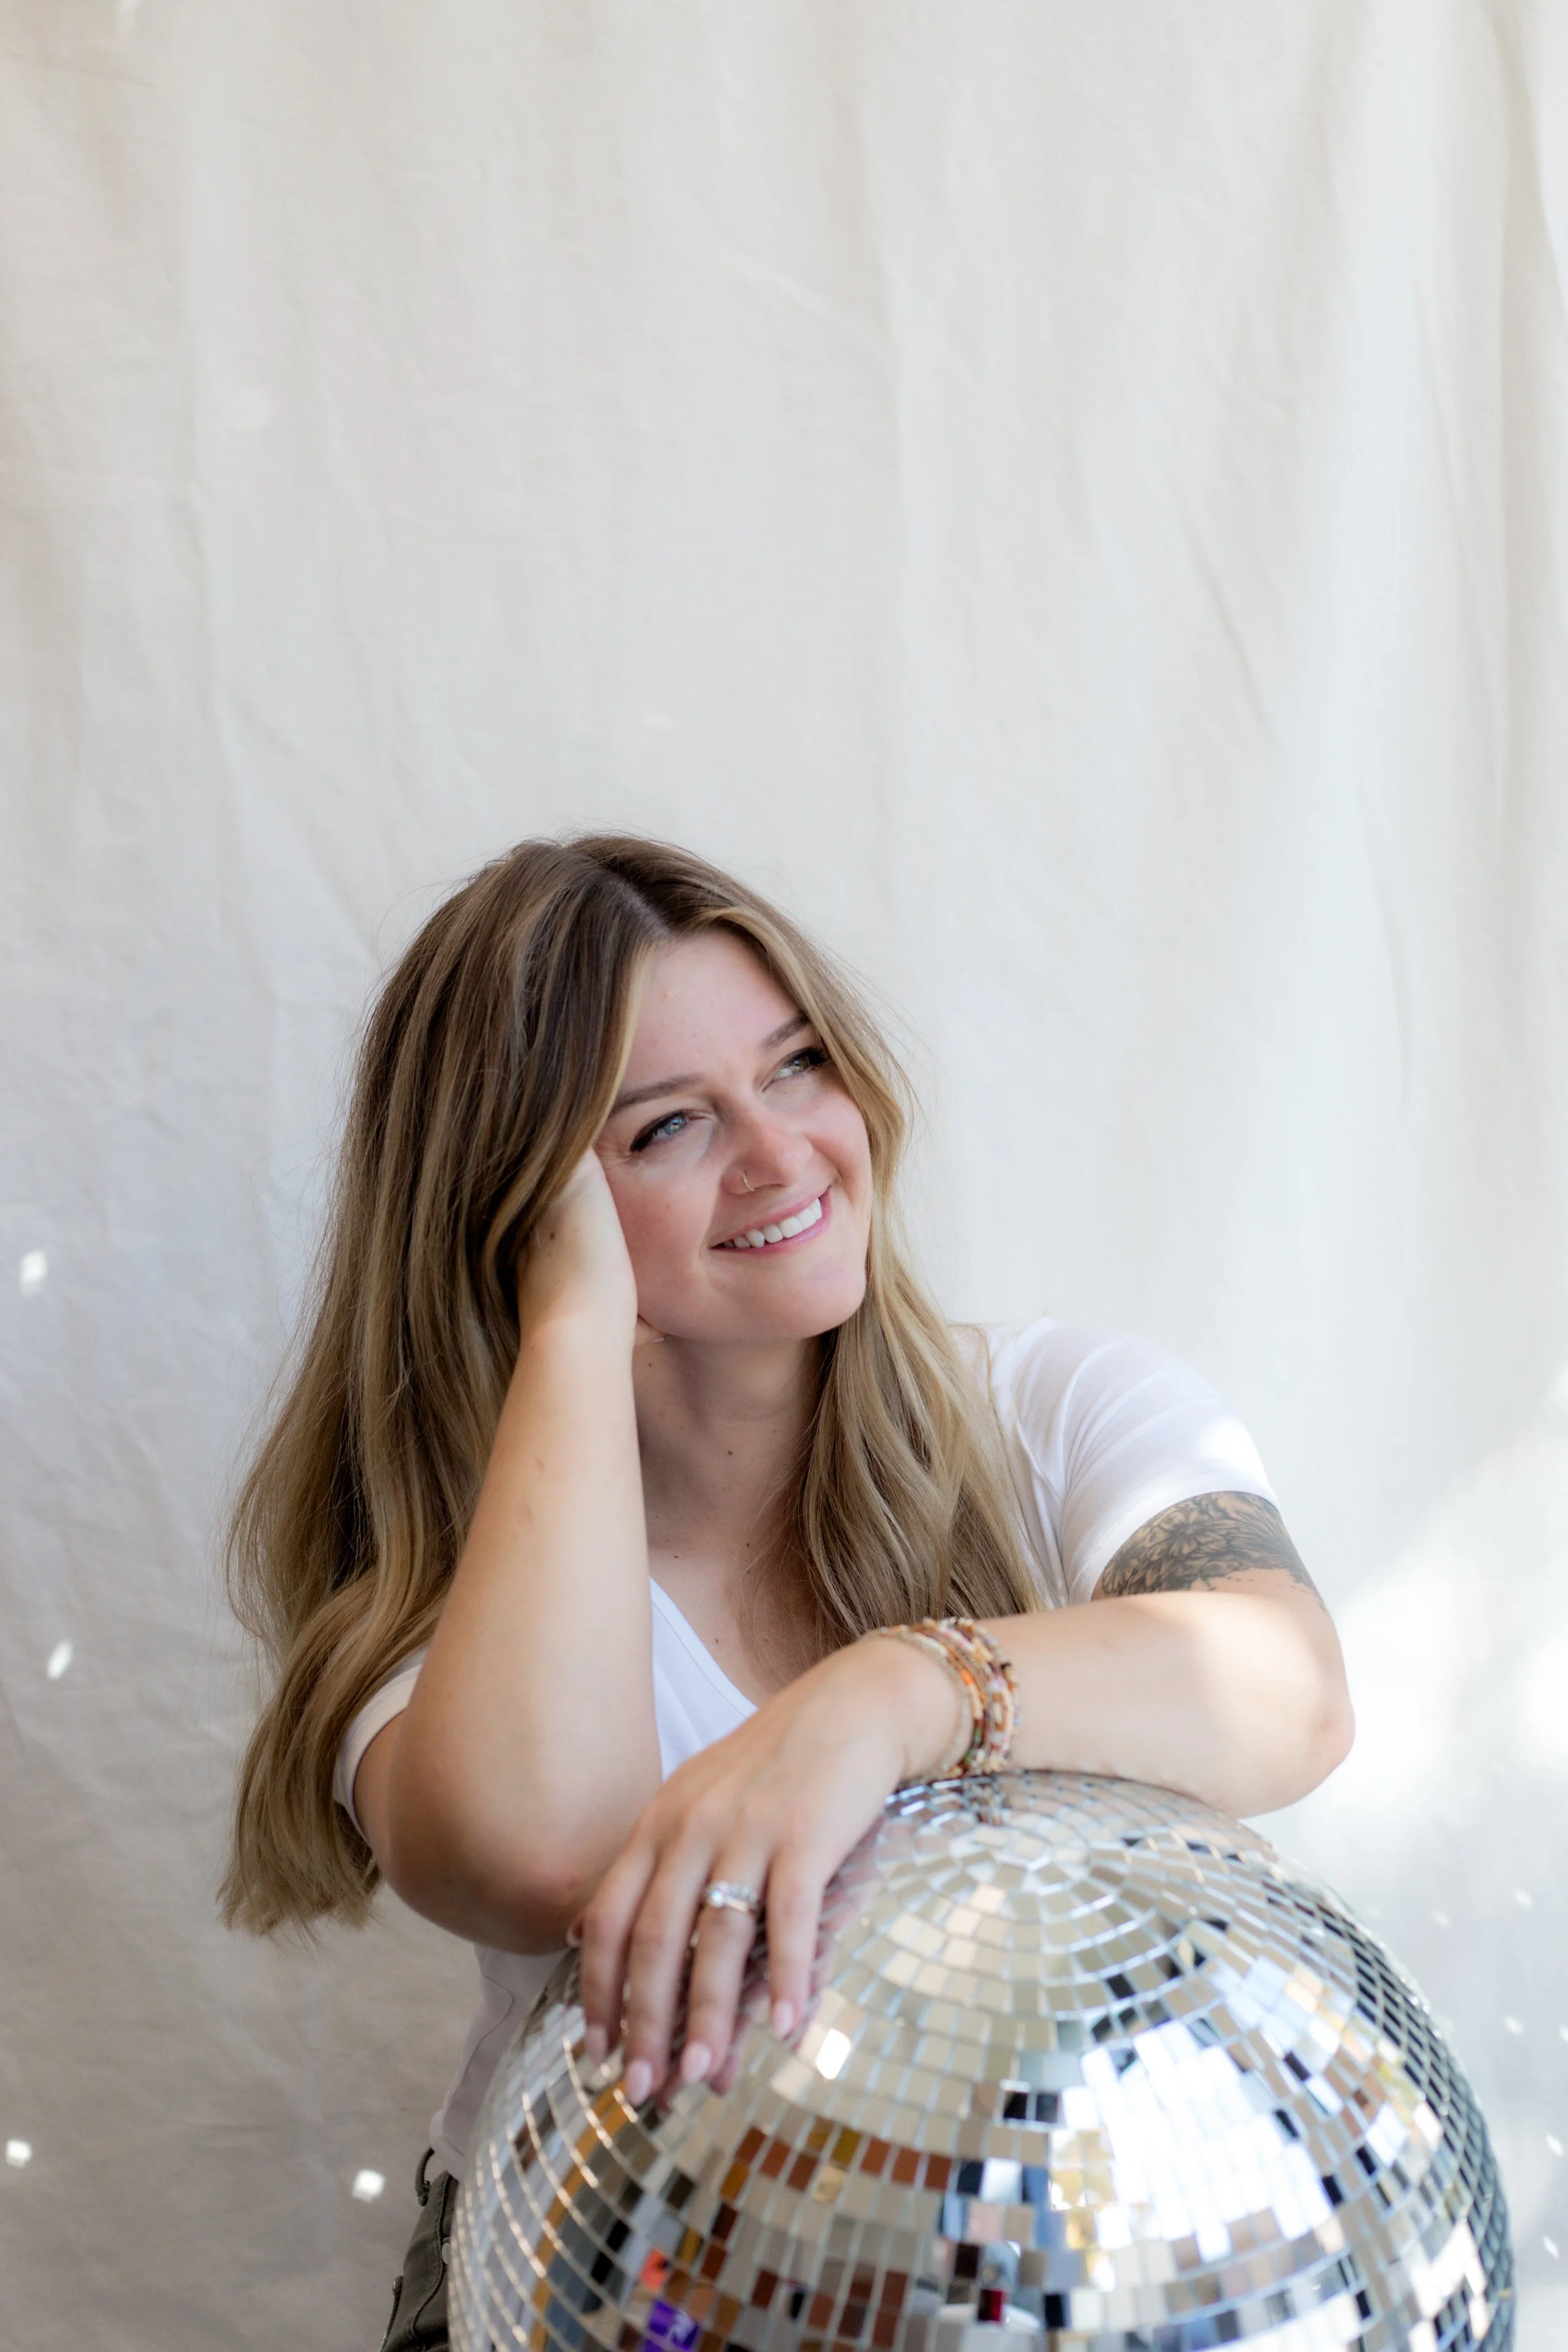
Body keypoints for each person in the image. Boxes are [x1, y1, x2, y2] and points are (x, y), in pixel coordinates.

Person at [221, 835, 1353, 2351]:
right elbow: (540, 1856)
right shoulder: (451, 1585)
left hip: (1060, 2268)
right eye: (668, 1127)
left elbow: (1283, 1691)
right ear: (521, 1206)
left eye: (798, 1065)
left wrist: (888, 1695)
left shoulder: (1058, 1405)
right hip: (610, 2293)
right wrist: (566, 1320)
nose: (779, 1154)